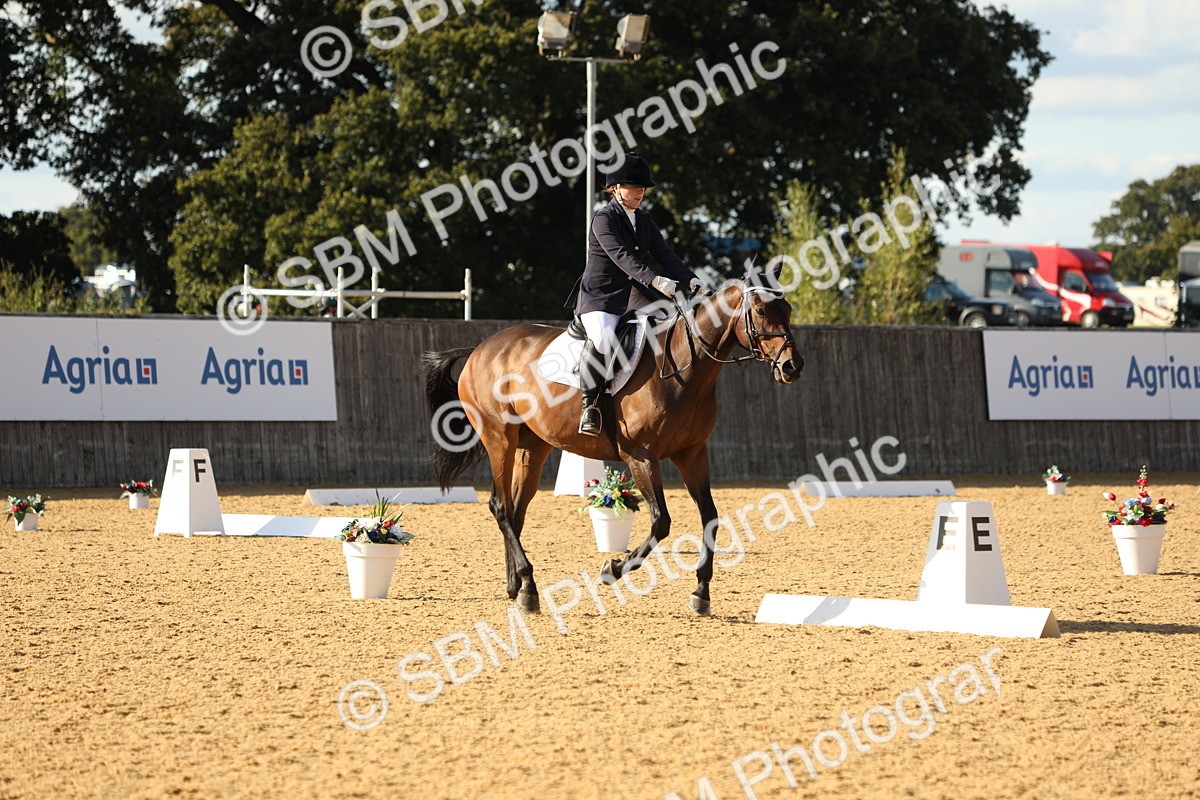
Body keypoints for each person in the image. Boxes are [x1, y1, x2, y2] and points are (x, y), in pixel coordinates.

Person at [564, 152, 702, 436]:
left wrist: (691, 280)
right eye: (633, 187)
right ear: (615, 187)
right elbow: (622, 257)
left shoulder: (644, 220)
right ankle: (590, 407)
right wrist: (654, 280)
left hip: (633, 294)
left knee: (670, 321)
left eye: (642, 188)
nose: (639, 192)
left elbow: (665, 254)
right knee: (602, 338)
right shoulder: (603, 219)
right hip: (600, 296)